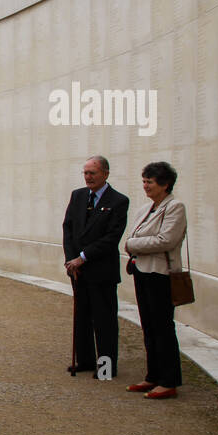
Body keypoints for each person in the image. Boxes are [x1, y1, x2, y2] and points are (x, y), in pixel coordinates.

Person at [124, 161, 188, 400]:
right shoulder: (146, 208)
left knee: (163, 328)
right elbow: (135, 234)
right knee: (149, 326)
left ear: (165, 184)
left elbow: (166, 240)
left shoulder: (175, 207)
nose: (145, 186)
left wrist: (132, 245)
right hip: (143, 271)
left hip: (161, 275)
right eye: (144, 181)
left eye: (150, 182)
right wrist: (133, 243)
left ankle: (169, 381)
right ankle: (153, 376)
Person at [62, 155, 130, 378]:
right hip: (78, 270)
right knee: (81, 318)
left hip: (101, 271)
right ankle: (85, 360)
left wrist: (83, 257)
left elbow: (111, 238)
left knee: (104, 321)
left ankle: (106, 367)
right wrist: (71, 259)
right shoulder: (78, 196)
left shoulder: (118, 201)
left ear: (105, 174)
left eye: (93, 173)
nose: (88, 177)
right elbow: (68, 229)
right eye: (86, 173)